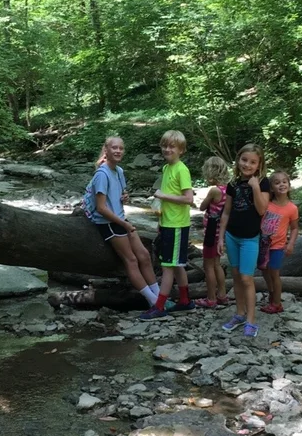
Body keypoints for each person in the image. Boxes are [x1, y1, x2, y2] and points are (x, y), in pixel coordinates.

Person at [88, 136, 160, 308]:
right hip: (108, 222)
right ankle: (154, 302)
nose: (118, 151)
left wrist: (124, 197)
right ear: (106, 150)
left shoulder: (119, 171)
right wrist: (125, 224)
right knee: (131, 260)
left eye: (121, 148)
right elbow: (101, 208)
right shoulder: (102, 174)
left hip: (120, 219)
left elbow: (117, 197)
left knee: (144, 256)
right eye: (114, 148)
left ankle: (160, 297)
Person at [141, 130, 195, 320]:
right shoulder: (166, 169)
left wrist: (163, 196)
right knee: (177, 264)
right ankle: (185, 300)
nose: (167, 149)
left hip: (178, 225)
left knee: (167, 266)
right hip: (167, 222)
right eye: (164, 145)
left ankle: (160, 305)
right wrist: (160, 220)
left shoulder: (182, 169)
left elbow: (189, 199)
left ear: (181, 150)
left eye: (172, 146)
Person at [217, 143, 270, 337]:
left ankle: (251, 320)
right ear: (238, 160)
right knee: (237, 276)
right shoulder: (233, 184)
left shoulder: (263, 182)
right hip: (232, 235)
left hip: (250, 238)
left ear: (259, 164)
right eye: (244, 160)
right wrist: (221, 237)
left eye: (252, 162)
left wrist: (255, 187)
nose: (247, 165)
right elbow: (226, 213)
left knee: (247, 278)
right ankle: (239, 314)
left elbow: (262, 210)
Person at [258, 170, 299, 314]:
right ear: (271, 188)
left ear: (289, 184)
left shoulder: (292, 208)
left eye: (284, 181)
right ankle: (271, 293)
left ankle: (277, 303)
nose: (281, 185)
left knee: (274, 273)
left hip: (277, 246)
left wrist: (291, 244)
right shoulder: (267, 204)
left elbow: (294, 228)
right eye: (277, 183)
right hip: (262, 245)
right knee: (264, 271)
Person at [194, 156, 230, 309]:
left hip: (211, 233)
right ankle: (222, 295)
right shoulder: (228, 189)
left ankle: (211, 298)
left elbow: (202, 207)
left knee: (208, 265)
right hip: (220, 233)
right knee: (217, 264)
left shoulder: (214, 190)